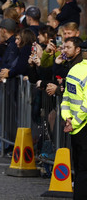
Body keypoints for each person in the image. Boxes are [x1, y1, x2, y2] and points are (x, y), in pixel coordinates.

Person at [61, 40, 87, 198]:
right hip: (83, 126)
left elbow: (66, 99)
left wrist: (68, 119)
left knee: (79, 170)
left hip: (74, 128)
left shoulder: (74, 70)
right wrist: (76, 121)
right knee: (84, 171)